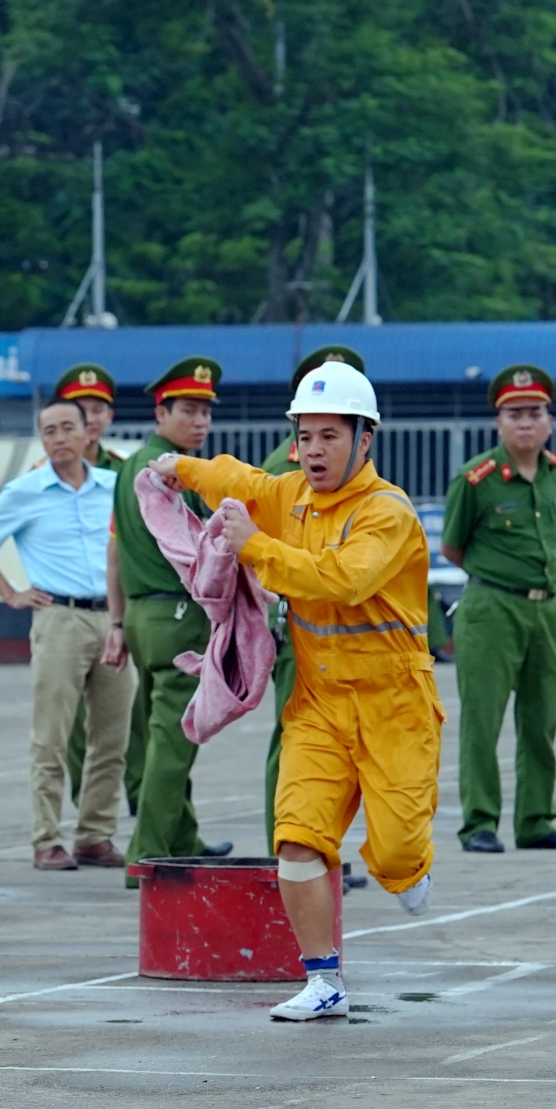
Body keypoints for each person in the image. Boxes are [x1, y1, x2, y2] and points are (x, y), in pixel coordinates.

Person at [149, 360, 440, 1022]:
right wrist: (178, 469)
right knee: (298, 838)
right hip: (315, 703)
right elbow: (240, 480)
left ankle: (412, 860)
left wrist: (254, 548)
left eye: (327, 435)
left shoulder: (385, 513)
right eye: (303, 436)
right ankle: (323, 979)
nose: (311, 450)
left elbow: (340, 581)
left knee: (394, 853)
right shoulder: (288, 496)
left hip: (394, 704)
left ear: (364, 439)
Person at [0, 397, 133, 870]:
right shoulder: (26, 491)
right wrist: (11, 593)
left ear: (87, 433)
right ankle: (46, 838)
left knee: (112, 737)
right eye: (49, 431)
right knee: (52, 737)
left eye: (66, 428)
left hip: (112, 618)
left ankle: (96, 835)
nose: (58, 438)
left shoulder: (114, 487)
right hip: (59, 618)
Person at [442, 364, 556, 854]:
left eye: (535, 413)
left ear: (549, 422)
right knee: (484, 718)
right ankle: (479, 822)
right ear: (499, 423)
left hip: (545, 611)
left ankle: (536, 820)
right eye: (515, 413)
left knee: (541, 720)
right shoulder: (477, 479)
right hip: (491, 607)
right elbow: (452, 547)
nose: (526, 422)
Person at [102, 358, 234, 867]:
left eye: (205, 412)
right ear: (161, 413)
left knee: (155, 732)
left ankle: (183, 840)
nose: (200, 422)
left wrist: (117, 621)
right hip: (176, 616)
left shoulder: (132, 465)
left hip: (142, 617)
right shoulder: (167, 472)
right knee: (173, 741)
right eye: (189, 411)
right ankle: (150, 854)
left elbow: (114, 551)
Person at [259, 344, 366, 855]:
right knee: (297, 745)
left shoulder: (358, 474)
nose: (318, 446)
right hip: (302, 628)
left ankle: (314, 849)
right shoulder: (291, 469)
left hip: (347, 642)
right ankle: (291, 847)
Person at [49, 363, 144, 817]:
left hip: (120, 609)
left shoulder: (126, 474)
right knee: (72, 727)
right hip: (67, 610)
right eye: (81, 408)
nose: (91, 418)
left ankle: (140, 811)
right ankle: (86, 812)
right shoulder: (41, 477)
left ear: (108, 418)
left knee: (127, 721)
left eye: (98, 409)